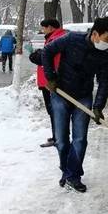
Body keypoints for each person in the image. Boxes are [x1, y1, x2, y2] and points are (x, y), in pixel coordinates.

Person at [42, 17, 108, 193]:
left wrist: (98, 107)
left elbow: (104, 81)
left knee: (80, 139)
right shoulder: (72, 39)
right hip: (60, 93)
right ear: (95, 34)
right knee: (61, 141)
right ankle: (67, 171)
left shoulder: (107, 53)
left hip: (83, 97)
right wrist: (50, 77)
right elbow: (47, 52)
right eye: (107, 38)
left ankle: (72, 176)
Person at [29, 19, 66, 148]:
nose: (43, 30)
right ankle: (57, 136)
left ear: (50, 27)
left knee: (55, 111)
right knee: (54, 111)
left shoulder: (56, 39)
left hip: (52, 82)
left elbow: (49, 59)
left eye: (44, 28)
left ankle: (59, 138)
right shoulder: (55, 38)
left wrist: (37, 57)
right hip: (49, 82)